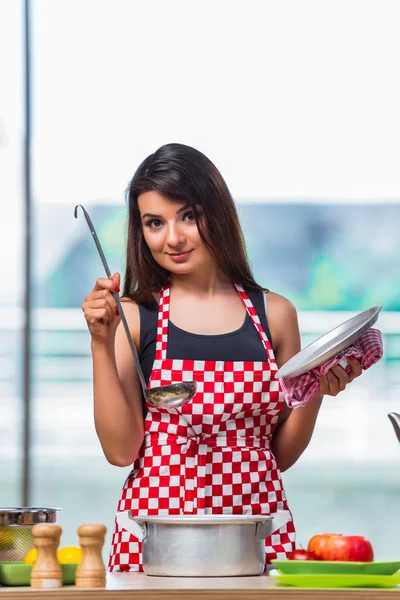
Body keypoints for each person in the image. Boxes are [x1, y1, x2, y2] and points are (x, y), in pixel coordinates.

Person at [81, 143, 362, 572]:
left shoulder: (276, 315)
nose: (172, 237)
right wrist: (101, 343)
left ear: (217, 214)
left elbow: (277, 455)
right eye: (154, 223)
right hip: (158, 538)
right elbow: (121, 451)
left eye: (188, 216)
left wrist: (316, 391)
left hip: (257, 532)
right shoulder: (135, 318)